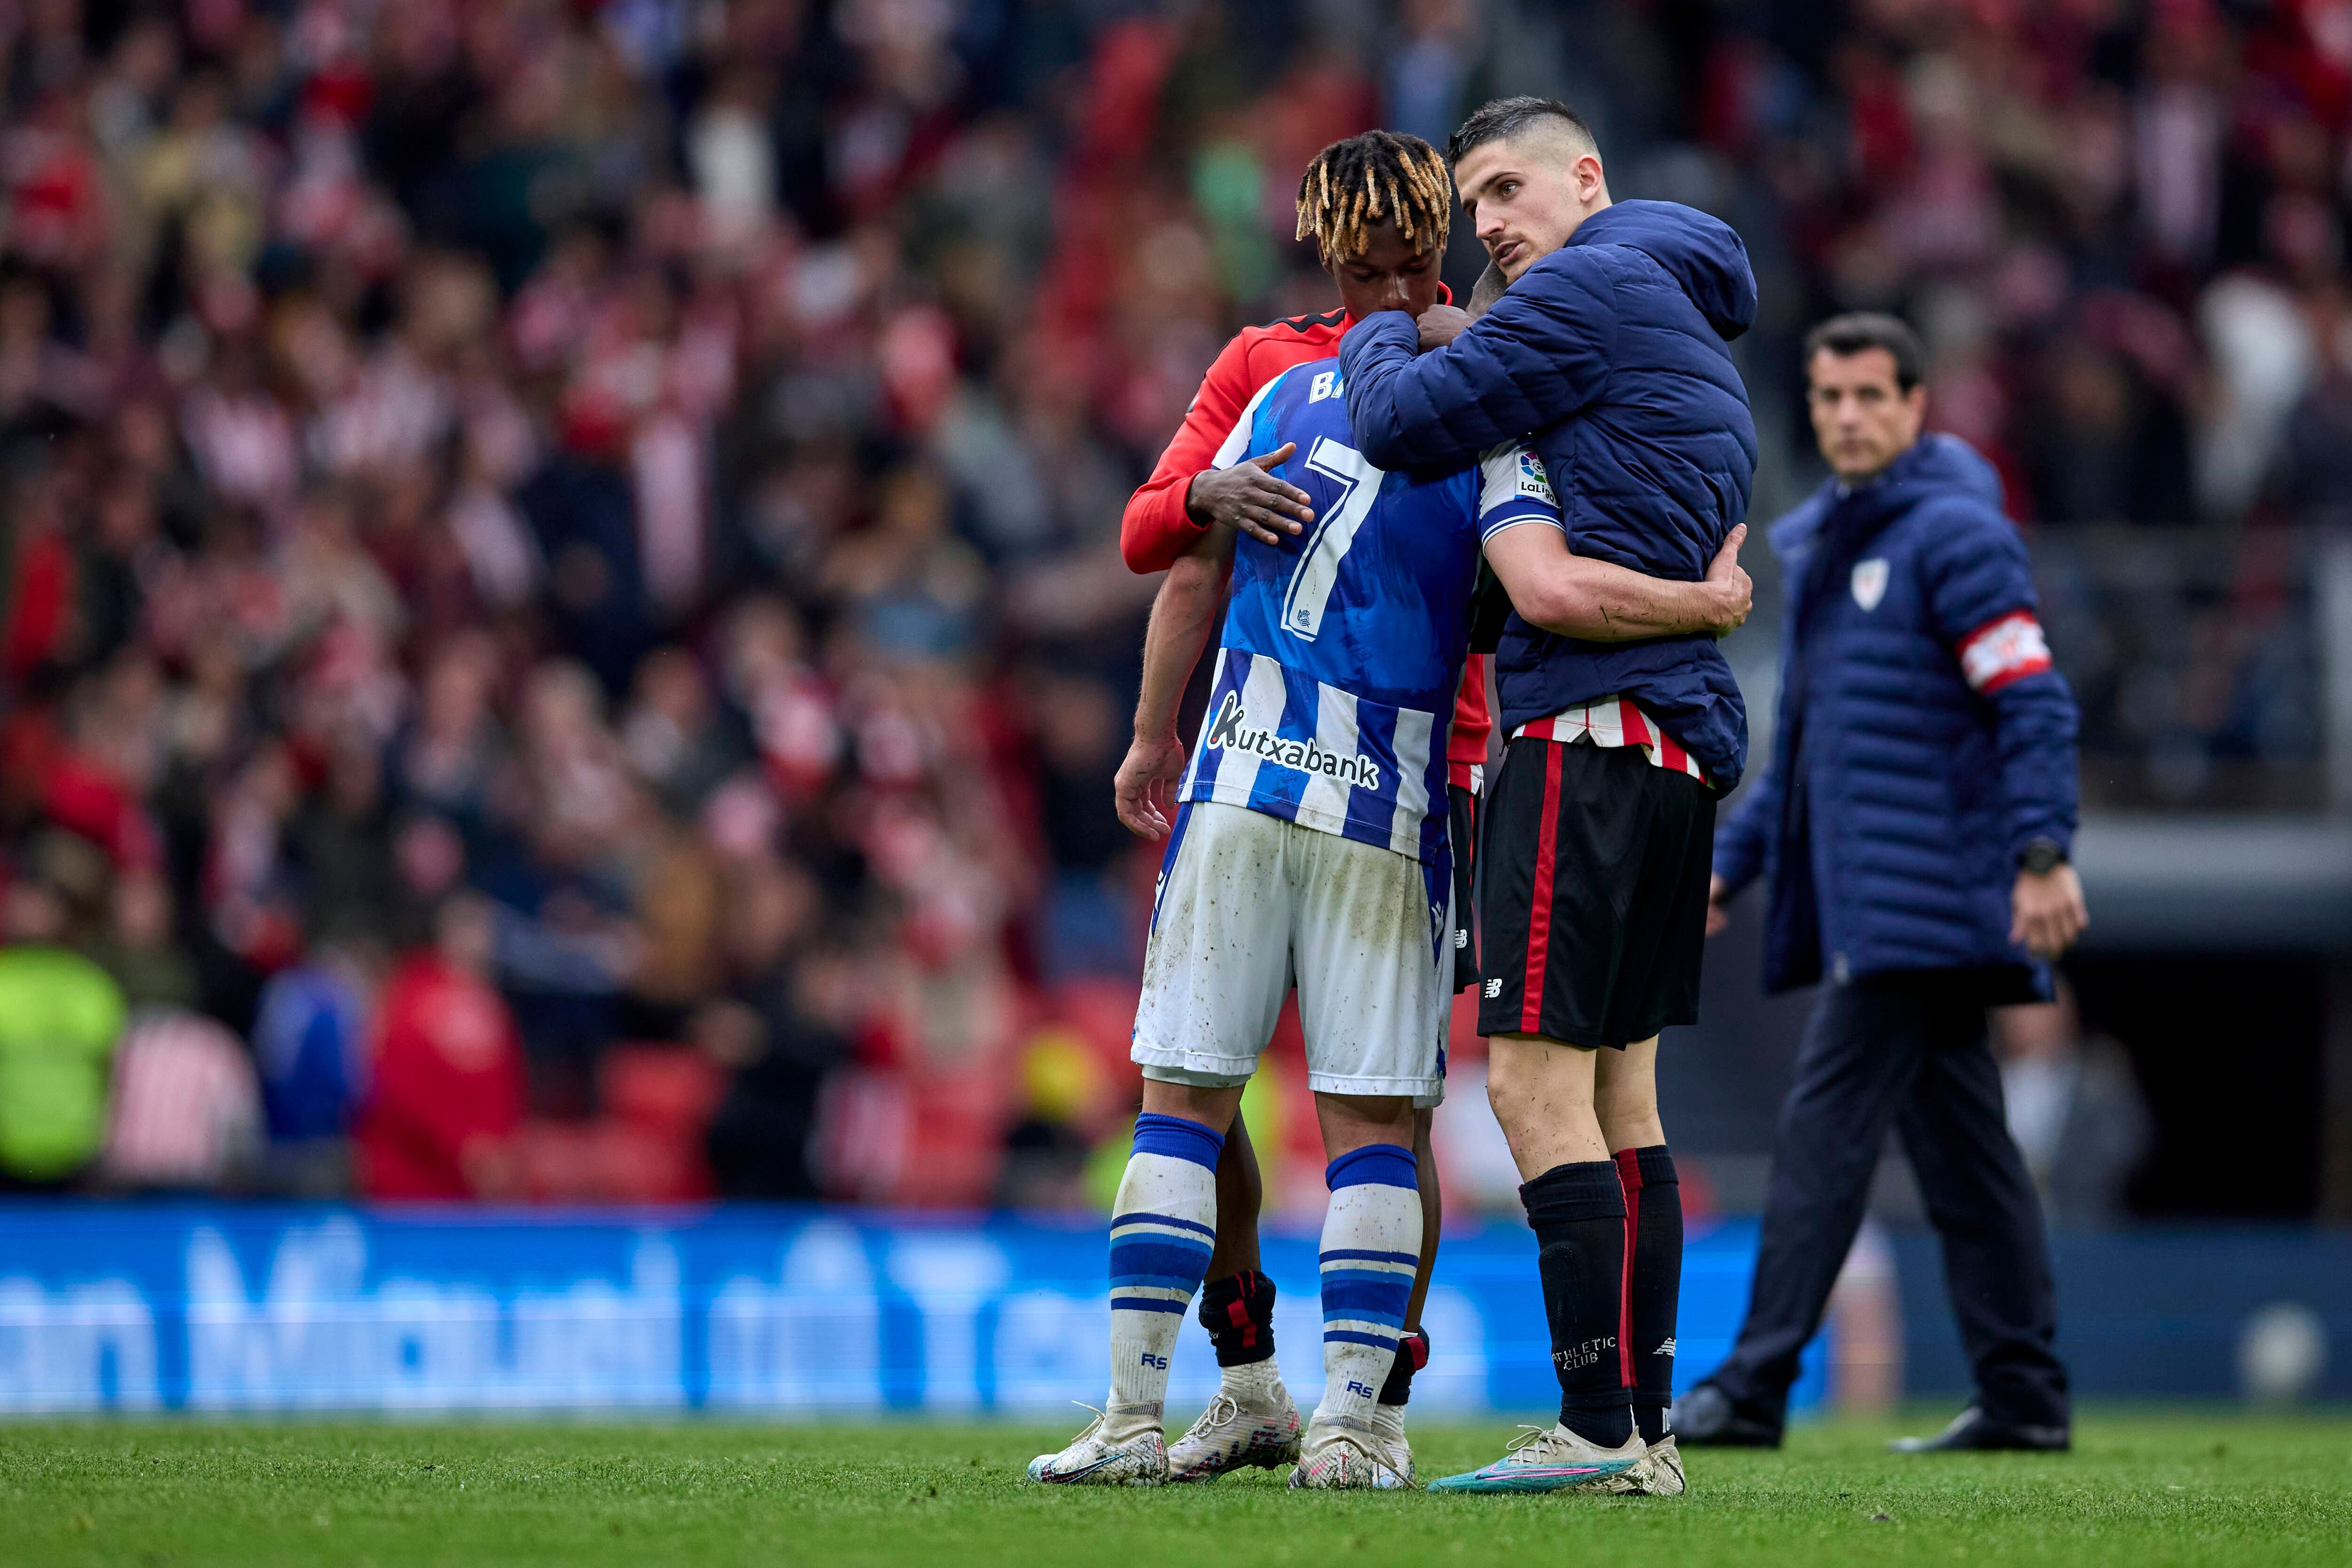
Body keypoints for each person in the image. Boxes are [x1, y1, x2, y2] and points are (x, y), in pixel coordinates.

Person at [1030, 129, 1751, 1492]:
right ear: (1441, 238)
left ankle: (1142, 1412)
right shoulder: (1506, 383)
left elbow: (1166, 556)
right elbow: (1534, 577)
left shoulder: (1265, 372)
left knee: (1187, 1094)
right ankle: (1365, 1420)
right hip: (1420, 779)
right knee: (1387, 1119)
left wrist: (1150, 724)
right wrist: (1704, 603)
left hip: (1246, 763)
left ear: (1324, 241)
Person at [1339, 95, 1760, 1497]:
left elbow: (1402, 423)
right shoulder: (1679, 311)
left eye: (1509, 190)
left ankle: (1590, 1424)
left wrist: (1389, 311)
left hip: (1583, 731)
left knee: (1525, 1078)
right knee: (1624, 1096)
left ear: (1592, 176)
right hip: (1678, 743)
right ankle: (1644, 1431)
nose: (1492, 229)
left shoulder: (1588, 287)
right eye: (1475, 212)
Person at [1110, 128, 1482, 1482]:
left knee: (1388, 1099)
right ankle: (1250, 1367)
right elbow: (1158, 532)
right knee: (1200, 1073)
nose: (1392, 294)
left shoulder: (1492, 361)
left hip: (1438, 767)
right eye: (1368, 269)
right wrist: (1203, 488)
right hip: (1253, 753)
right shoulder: (1263, 363)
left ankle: (1369, 1397)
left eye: (1413, 265)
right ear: (1329, 256)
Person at [1673, 312, 2087, 1455]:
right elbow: (1802, 746)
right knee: (1971, 1164)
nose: (1848, 416)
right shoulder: (1825, 549)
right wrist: (1736, 861)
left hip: (1930, 907)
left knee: (1822, 1136)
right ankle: (2024, 1396)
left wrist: (2043, 853)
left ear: (1915, 406)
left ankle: (1752, 1385)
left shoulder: (1957, 538)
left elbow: (2033, 702)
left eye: (1870, 396)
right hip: (1877, 901)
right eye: (1828, 398)